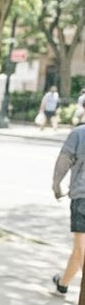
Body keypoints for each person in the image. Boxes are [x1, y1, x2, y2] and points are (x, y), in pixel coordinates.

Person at [52, 124, 85, 295]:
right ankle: (63, 283)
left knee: (80, 248)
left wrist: (57, 186)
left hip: (82, 198)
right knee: (79, 249)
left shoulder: (79, 133)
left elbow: (63, 161)